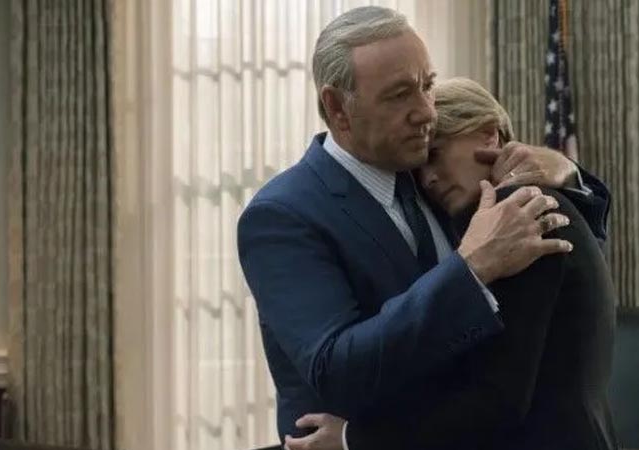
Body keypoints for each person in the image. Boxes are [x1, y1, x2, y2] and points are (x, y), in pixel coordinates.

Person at [236, 6, 610, 444]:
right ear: (337, 108)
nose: (425, 113)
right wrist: (471, 268)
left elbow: (568, 274)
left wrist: (567, 171)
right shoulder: (282, 215)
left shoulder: (447, 186)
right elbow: (336, 370)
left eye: (427, 86)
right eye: (399, 95)